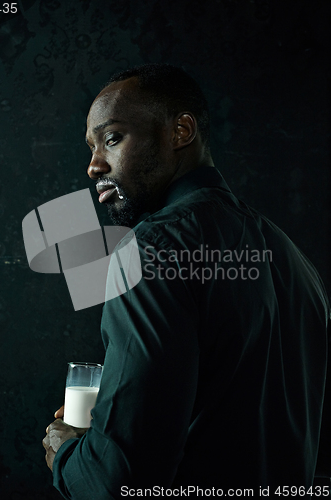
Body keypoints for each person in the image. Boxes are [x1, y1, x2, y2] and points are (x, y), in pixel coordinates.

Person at [42, 64, 330, 498]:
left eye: (112, 138)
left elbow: (116, 482)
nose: (94, 165)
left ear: (181, 131)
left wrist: (67, 453)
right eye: (91, 147)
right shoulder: (297, 263)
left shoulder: (150, 248)